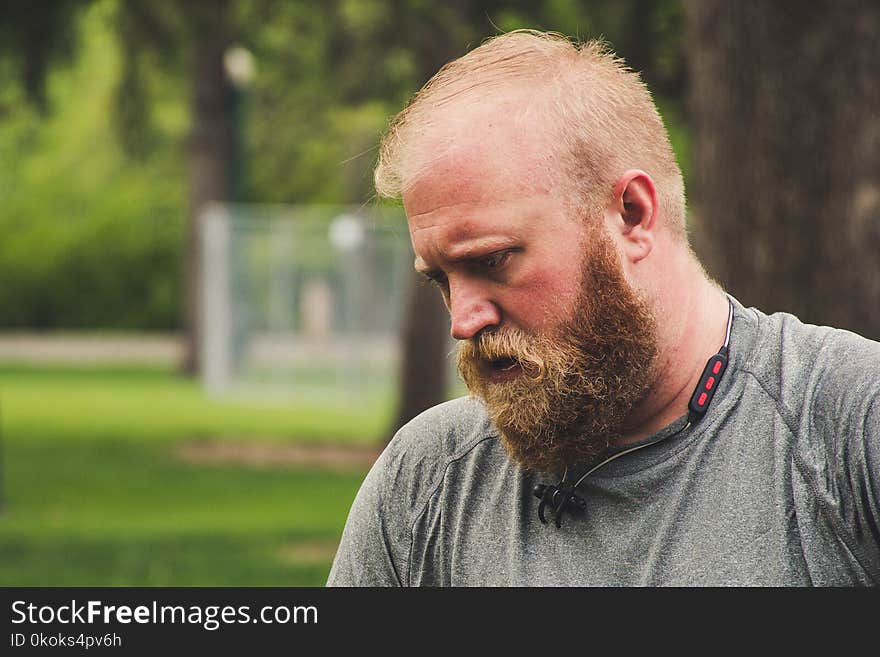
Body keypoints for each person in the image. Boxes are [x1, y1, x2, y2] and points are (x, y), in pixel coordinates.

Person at [326, 30, 880, 586]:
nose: (463, 321)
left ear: (633, 216)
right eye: (442, 281)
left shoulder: (851, 428)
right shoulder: (428, 482)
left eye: (493, 261)